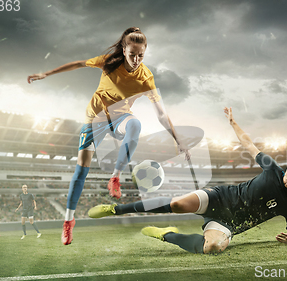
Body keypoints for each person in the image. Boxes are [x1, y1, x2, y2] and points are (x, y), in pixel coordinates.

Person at [88, 107, 287, 254]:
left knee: (212, 248)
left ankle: (166, 234)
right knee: (177, 205)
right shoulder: (271, 168)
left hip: (228, 224)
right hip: (220, 197)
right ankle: (115, 209)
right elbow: (248, 142)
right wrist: (233, 122)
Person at [27, 27, 189, 245]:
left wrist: (179, 141)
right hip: (95, 120)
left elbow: (161, 113)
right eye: (132, 54)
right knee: (80, 171)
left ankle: (115, 177)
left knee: (136, 124)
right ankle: (68, 221)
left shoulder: (146, 77)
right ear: (124, 50)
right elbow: (78, 64)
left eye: (141, 55)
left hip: (120, 118)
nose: (136, 60)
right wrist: (46, 73)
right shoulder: (108, 62)